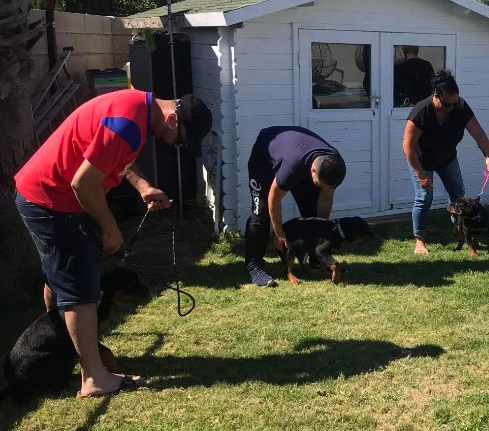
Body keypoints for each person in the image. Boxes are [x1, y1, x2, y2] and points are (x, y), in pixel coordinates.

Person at [14, 90, 213, 397]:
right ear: (173, 120)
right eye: (181, 140)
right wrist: (110, 228)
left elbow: (114, 159)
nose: (175, 146)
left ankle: (68, 351)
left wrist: (143, 186)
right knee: (80, 288)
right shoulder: (128, 124)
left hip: (45, 195)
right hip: (53, 200)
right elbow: (84, 182)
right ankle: (94, 377)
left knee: (62, 278)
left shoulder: (136, 109)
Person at [403, 70, 489, 254]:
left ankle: (458, 229)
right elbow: (408, 145)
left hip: (447, 159)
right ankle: (419, 241)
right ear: (436, 97)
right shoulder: (421, 112)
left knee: (458, 195)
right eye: (447, 105)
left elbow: (478, 133)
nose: (451, 108)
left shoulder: (459, 106)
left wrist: (488, 156)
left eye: (454, 103)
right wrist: (420, 174)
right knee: (423, 198)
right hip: (422, 161)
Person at [245, 126, 346, 286]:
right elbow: (274, 199)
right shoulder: (292, 167)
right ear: (312, 170)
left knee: (312, 211)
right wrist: (279, 233)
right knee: (261, 211)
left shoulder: (335, 165)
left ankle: (315, 259)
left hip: (297, 156)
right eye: (320, 184)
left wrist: (319, 235)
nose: (325, 189)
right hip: (265, 154)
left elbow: (325, 199)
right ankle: (254, 267)